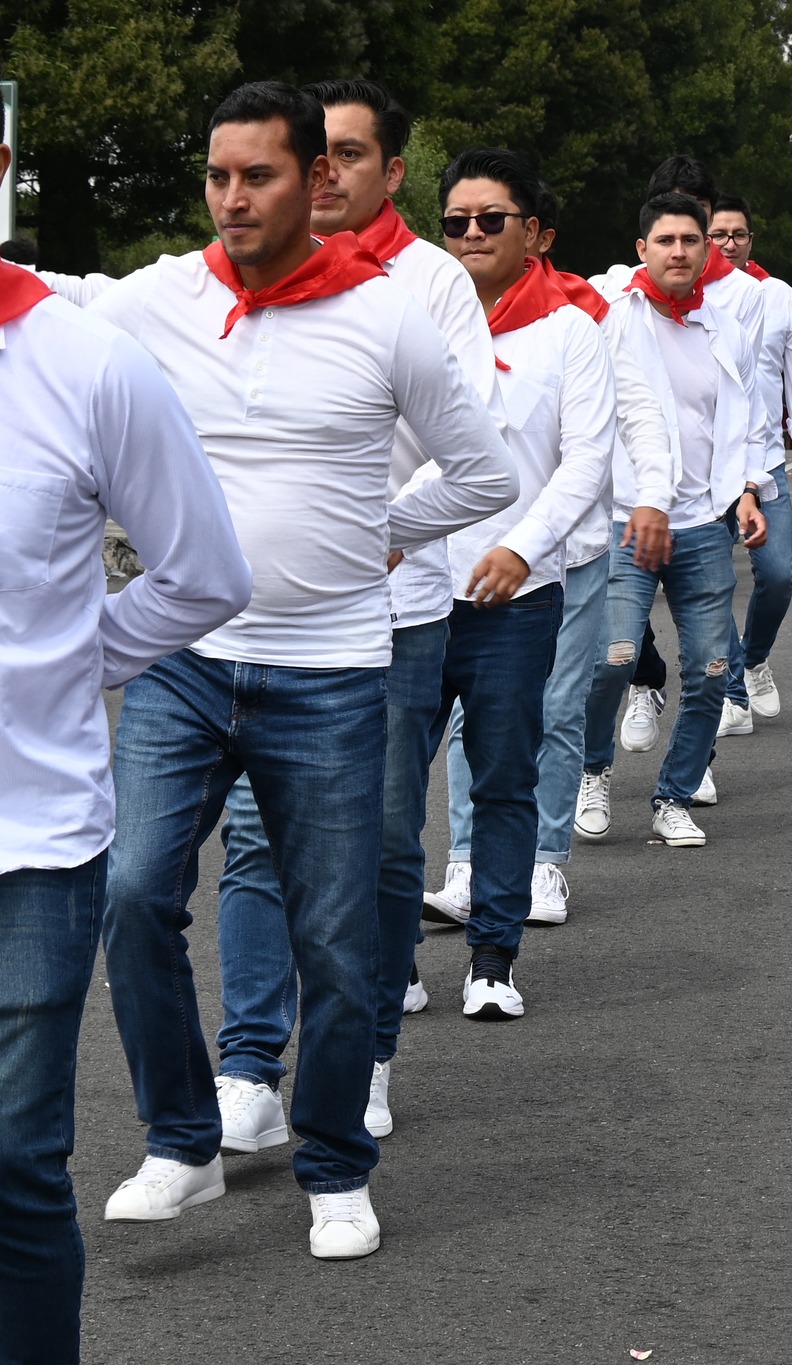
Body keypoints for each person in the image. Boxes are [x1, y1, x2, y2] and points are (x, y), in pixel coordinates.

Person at [49, 82, 513, 1257]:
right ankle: (182, 1143)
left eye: (258, 176)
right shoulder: (163, 298)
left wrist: (385, 534)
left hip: (332, 672)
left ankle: (334, 1166)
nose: (233, 198)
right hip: (182, 661)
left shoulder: (389, 314)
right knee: (133, 892)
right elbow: (54, 302)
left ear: (316, 183)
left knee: (341, 934)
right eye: (217, 176)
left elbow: (484, 472)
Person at [205, 77, 498, 1153]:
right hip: (251, 616)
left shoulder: (427, 284)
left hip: (391, 612)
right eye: (310, 157)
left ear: (389, 170)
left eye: (348, 156)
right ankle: (246, 1067)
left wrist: (379, 529)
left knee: (371, 847)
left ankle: (366, 1051)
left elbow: (472, 448)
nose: (325, 176)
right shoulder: (238, 280)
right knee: (250, 845)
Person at [0, 135, 251, 1361]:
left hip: (28, 847)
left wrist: (73, 659)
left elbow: (205, 571)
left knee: (12, 1167)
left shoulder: (87, 363)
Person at [427, 181, 672, 932]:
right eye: (458, 222)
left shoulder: (581, 320)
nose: (473, 233)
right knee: (476, 716)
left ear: (533, 235)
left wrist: (654, 492)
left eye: (492, 221)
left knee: (557, 706)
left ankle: (543, 864)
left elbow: (632, 415)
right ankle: (469, 865)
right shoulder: (429, 312)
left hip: (568, 552)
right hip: (456, 555)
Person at [580, 191, 768, 848]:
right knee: (613, 655)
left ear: (707, 250)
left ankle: (675, 794)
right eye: (666, 241)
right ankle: (592, 769)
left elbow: (747, 424)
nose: (681, 252)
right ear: (642, 250)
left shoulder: (725, 329)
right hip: (626, 519)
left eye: (692, 241)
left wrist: (746, 490)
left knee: (715, 666)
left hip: (702, 523)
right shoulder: (609, 318)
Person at [708, 193, 792, 733]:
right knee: (708, 582)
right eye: (718, 235)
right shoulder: (685, 295)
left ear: (752, 239)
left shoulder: (777, 296)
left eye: (739, 235)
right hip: (705, 467)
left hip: (766, 457)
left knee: (778, 575)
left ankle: (753, 659)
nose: (729, 244)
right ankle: (732, 687)